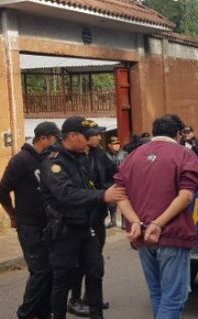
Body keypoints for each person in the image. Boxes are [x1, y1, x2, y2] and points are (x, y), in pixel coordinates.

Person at [114, 115, 198, 319]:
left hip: (143, 236)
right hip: (172, 235)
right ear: (179, 134)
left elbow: (120, 193)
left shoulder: (133, 156)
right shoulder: (184, 155)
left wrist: (135, 221)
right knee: (173, 299)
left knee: (158, 295)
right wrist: (159, 223)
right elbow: (186, 195)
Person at [40, 116, 126, 319]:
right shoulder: (53, 161)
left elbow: (92, 185)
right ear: (72, 136)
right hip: (64, 229)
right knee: (63, 279)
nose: (91, 140)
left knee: (95, 272)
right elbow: (65, 194)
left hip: (87, 227)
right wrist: (103, 195)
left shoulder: (81, 158)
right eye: (86, 136)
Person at [0, 121, 61, 319]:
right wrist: (13, 215)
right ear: (43, 139)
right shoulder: (21, 160)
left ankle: (43, 312)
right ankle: (25, 314)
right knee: (40, 271)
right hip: (29, 225)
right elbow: (2, 191)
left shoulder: (48, 160)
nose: (57, 143)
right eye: (54, 139)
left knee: (49, 271)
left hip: (48, 224)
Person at [67, 121, 113, 317]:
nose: (99, 137)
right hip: (79, 217)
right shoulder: (73, 157)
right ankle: (74, 299)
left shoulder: (100, 155)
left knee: (95, 260)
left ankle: (91, 298)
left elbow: (114, 175)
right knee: (78, 261)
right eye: (95, 134)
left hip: (97, 215)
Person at [106, 136, 128, 228]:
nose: (117, 146)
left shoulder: (124, 154)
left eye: (118, 144)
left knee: (123, 201)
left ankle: (124, 222)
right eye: (114, 144)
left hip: (122, 181)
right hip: (110, 181)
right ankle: (113, 220)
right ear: (109, 145)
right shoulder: (105, 155)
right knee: (111, 204)